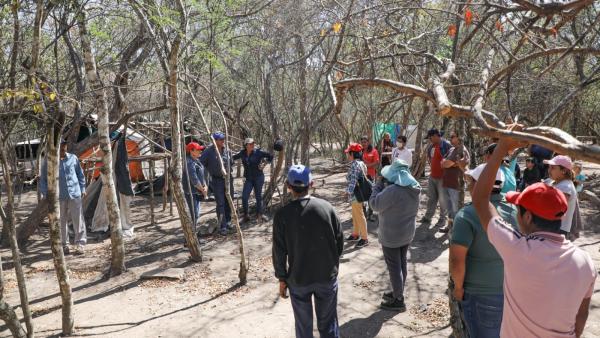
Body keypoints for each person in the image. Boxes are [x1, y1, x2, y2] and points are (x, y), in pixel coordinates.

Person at [472, 132, 596, 338]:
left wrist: (501, 148)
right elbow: (581, 316)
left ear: (527, 217)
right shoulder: (586, 262)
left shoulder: (516, 248)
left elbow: (480, 199)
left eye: (517, 209)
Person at [272, 164, 344, 338]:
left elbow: (279, 251)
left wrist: (282, 278)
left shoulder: (282, 215)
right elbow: (339, 243)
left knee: (303, 329)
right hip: (326, 276)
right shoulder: (327, 208)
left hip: (298, 279)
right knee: (328, 326)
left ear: (288, 186)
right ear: (311, 184)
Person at [450, 163, 517, 338]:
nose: (468, 185)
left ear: (478, 185)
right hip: (512, 291)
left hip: (479, 294)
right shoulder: (516, 211)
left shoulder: (467, 216)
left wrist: (458, 288)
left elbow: (457, 261)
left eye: (471, 181)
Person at [369, 159, 420, 311]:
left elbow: (374, 205)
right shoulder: (414, 188)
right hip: (407, 233)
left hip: (392, 235)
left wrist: (377, 186)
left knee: (394, 267)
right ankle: (398, 291)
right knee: (401, 263)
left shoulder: (393, 191)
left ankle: (398, 299)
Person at [39, 139, 87, 255]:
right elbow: (43, 179)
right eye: (61, 147)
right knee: (61, 221)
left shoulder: (73, 158)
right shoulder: (49, 160)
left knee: (78, 219)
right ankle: (64, 245)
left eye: (65, 146)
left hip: (75, 194)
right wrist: (45, 194)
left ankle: (80, 244)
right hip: (58, 197)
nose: (63, 149)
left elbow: (80, 174)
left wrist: (83, 188)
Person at [200, 132, 234, 236]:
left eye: (223, 138)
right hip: (217, 180)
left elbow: (231, 162)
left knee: (229, 200)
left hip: (228, 179)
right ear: (214, 140)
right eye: (220, 139)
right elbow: (201, 164)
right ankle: (222, 226)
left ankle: (228, 222)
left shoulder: (227, 150)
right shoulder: (208, 152)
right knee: (220, 203)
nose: (223, 140)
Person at [233, 138, 273, 223]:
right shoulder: (242, 153)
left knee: (258, 196)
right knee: (244, 197)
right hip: (248, 178)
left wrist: (265, 163)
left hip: (258, 177)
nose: (252, 145)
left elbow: (270, 155)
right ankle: (246, 216)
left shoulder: (258, 152)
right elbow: (233, 158)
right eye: (250, 144)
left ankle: (260, 215)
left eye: (253, 143)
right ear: (246, 145)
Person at [440, 132, 470, 233]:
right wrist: (450, 163)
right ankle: (449, 226)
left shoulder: (462, 150)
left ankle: (456, 230)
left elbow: (447, 163)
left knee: (456, 208)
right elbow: (443, 162)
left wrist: (448, 163)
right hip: (447, 182)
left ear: (459, 138)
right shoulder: (451, 149)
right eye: (451, 136)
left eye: (453, 137)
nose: (451, 138)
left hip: (456, 184)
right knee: (449, 208)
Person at [421, 128, 451, 226]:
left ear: (435, 136)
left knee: (443, 200)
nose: (429, 140)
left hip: (443, 178)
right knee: (431, 198)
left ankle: (442, 219)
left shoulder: (447, 145)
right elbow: (430, 158)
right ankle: (428, 217)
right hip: (432, 176)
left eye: (430, 138)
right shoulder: (431, 147)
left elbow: (452, 160)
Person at [543, 155, 578, 237]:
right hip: (551, 226)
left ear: (564, 171)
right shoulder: (554, 182)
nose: (549, 170)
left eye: (553, 168)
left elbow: (557, 210)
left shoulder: (565, 187)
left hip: (558, 229)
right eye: (549, 167)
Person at [344, 143, 369, 248]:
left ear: (352, 154)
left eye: (348, 153)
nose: (347, 155)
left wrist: (347, 192)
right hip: (359, 193)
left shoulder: (355, 165)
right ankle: (356, 234)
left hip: (356, 194)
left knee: (359, 214)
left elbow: (353, 181)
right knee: (355, 214)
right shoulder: (361, 163)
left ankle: (364, 238)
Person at [182, 142, 207, 235]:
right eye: (198, 149)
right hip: (191, 193)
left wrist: (205, 186)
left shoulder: (196, 160)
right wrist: (203, 190)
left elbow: (201, 175)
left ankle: (193, 237)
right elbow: (194, 180)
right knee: (193, 215)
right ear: (191, 151)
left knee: (195, 215)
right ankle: (190, 239)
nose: (200, 151)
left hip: (197, 192)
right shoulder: (189, 163)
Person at [359, 136, 379, 220]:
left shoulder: (374, 151)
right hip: (361, 176)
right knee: (362, 194)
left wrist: (366, 166)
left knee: (370, 194)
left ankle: (370, 214)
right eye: (362, 142)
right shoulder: (360, 151)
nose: (363, 144)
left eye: (365, 142)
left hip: (370, 176)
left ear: (368, 142)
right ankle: (363, 214)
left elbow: (377, 162)